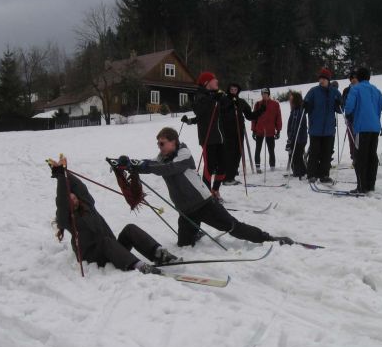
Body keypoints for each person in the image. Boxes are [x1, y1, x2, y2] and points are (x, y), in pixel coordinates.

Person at [123, 127, 294, 247]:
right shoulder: (162, 157)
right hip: (186, 210)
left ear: (174, 142)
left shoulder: (184, 154)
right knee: (184, 244)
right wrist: (129, 164)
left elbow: (168, 169)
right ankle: (196, 231)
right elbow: (149, 163)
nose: (159, 147)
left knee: (233, 227)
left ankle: (267, 238)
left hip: (204, 204)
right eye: (158, 144)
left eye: (162, 143)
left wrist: (142, 167)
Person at [47, 155, 179, 274]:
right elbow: (62, 202)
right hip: (94, 256)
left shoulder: (87, 205)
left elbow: (80, 188)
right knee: (106, 242)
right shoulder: (66, 219)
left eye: (74, 196)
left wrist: (65, 172)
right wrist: (60, 177)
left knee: (129, 229)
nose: (74, 198)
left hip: (112, 249)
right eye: (70, 199)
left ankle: (158, 254)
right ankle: (138, 267)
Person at [343, 67, 382, 193]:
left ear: (358, 77)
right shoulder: (376, 90)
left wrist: (348, 114)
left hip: (361, 128)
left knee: (360, 157)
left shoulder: (355, 89)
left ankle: (361, 186)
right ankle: (370, 185)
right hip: (375, 129)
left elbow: (348, 106)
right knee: (372, 156)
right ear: (369, 77)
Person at [181, 71, 226, 199]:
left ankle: (215, 190)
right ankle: (206, 194)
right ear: (207, 83)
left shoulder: (216, 94)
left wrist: (224, 99)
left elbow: (226, 108)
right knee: (209, 167)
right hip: (208, 138)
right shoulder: (199, 96)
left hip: (220, 137)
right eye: (214, 79)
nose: (217, 81)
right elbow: (200, 111)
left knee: (223, 166)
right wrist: (213, 99)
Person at [303, 67, 342, 183]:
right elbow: (305, 107)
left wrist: (339, 103)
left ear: (328, 80)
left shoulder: (335, 92)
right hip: (316, 129)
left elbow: (340, 110)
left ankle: (324, 175)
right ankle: (311, 174)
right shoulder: (313, 91)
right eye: (320, 78)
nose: (322, 80)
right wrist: (305, 105)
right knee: (314, 153)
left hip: (329, 129)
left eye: (324, 78)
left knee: (327, 153)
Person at [221, 82, 254, 185]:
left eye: (235, 90)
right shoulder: (224, 100)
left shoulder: (241, 102)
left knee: (237, 154)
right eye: (232, 90)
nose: (233, 92)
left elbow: (249, 115)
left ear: (238, 91)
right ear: (228, 90)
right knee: (229, 154)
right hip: (227, 132)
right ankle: (227, 178)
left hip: (239, 132)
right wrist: (230, 106)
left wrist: (260, 112)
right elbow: (221, 113)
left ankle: (231, 176)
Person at [251, 88, 282, 172]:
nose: (264, 95)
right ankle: (258, 167)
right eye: (263, 93)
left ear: (268, 94)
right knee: (258, 149)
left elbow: (278, 117)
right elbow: (254, 118)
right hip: (259, 130)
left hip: (270, 130)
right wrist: (253, 130)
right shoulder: (258, 104)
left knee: (271, 149)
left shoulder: (275, 104)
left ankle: (272, 166)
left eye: (266, 93)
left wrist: (278, 130)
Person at [285, 90, 308, 179]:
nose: (290, 102)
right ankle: (301, 171)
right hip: (300, 138)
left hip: (298, 138)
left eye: (291, 100)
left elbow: (294, 127)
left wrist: (290, 140)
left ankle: (299, 172)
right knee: (297, 155)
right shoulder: (296, 110)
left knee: (295, 155)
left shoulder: (297, 112)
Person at [341, 71, 358, 164]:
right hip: (350, 118)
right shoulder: (346, 90)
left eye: (355, 78)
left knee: (361, 138)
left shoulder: (361, 88)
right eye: (352, 78)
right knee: (352, 138)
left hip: (360, 117)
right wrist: (343, 108)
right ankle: (354, 156)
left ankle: (361, 156)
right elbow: (343, 102)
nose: (354, 80)